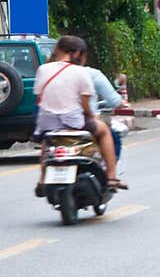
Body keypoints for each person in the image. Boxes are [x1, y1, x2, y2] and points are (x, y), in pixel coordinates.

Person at [33, 36, 126, 189]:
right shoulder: (81, 72)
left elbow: (40, 97)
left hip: (46, 122)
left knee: (47, 142)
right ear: (76, 54)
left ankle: (42, 179)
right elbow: (85, 104)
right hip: (73, 122)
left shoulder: (43, 70)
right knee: (104, 131)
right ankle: (111, 177)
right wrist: (90, 115)